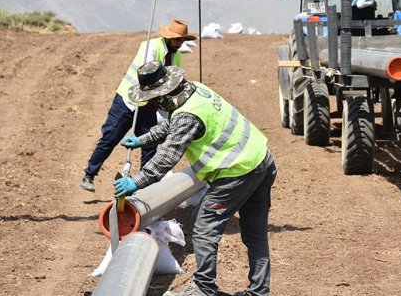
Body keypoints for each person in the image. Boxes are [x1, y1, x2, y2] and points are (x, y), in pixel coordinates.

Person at [114, 62, 277, 296]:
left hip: (238, 171)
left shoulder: (187, 115)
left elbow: (167, 157)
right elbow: (173, 123)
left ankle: (203, 289)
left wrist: (136, 183)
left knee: (203, 227)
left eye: (152, 99)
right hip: (261, 159)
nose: (152, 104)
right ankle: (259, 292)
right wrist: (144, 139)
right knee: (255, 232)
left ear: (163, 94)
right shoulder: (194, 91)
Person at [79, 19, 197, 192]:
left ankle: (144, 188)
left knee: (149, 145)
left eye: (182, 40)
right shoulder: (151, 47)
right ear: (169, 37)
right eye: (177, 40)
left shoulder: (176, 55)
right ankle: (90, 174)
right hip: (128, 100)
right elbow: (147, 74)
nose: (180, 44)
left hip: (150, 105)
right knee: (111, 136)